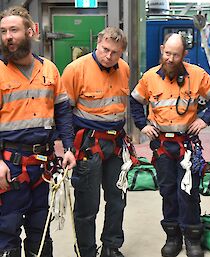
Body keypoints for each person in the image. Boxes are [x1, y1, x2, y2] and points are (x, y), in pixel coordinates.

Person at [130, 33, 210, 257]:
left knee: (189, 192)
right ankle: (172, 237)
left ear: (184, 55)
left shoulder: (197, 75)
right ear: (162, 49)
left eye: (175, 54)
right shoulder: (150, 77)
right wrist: (142, 124)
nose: (170, 59)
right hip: (162, 146)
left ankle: (193, 238)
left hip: (187, 146)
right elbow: (134, 101)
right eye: (167, 53)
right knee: (168, 192)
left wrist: (204, 119)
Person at [0, 6, 76, 257]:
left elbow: (63, 113)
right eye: (3, 32)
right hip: (10, 167)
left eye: (13, 30)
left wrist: (68, 148)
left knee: (40, 231)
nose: (7, 37)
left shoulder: (50, 70)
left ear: (31, 32)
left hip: (43, 166)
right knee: (7, 230)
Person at [61, 27, 130, 257]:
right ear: (97, 43)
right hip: (89, 145)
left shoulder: (125, 69)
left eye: (115, 53)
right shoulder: (76, 70)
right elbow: (63, 113)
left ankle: (111, 246)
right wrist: (69, 147)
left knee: (117, 200)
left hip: (116, 144)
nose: (109, 56)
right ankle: (86, 251)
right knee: (88, 205)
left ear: (122, 53)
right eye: (105, 50)